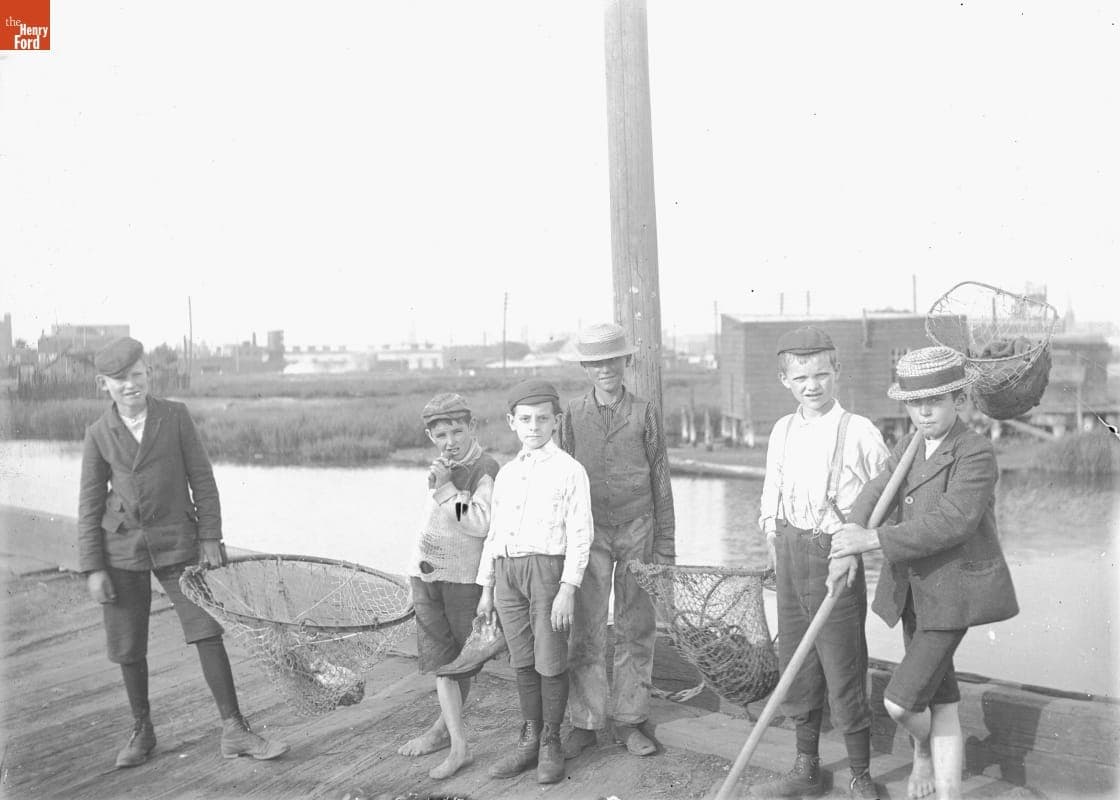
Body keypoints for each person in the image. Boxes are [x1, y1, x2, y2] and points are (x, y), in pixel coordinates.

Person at [78, 337, 288, 768]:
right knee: (127, 644)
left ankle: (235, 730)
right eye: (120, 380)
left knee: (207, 630)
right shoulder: (98, 434)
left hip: (180, 543)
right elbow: (88, 505)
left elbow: (202, 479)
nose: (130, 385)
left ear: (148, 374)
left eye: (137, 375)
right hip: (122, 552)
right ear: (104, 385)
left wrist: (210, 537)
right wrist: (92, 567)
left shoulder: (174, 416)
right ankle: (143, 731)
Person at [830, 346, 1018, 800]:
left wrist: (871, 541)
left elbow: (953, 521)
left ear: (959, 400)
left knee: (899, 703)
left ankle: (922, 753)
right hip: (912, 592)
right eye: (915, 403)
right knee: (942, 698)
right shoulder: (911, 444)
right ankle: (948, 791)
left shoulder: (975, 452)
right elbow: (878, 488)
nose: (924, 410)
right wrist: (847, 537)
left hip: (953, 595)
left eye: (935, 401)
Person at [754, 326, 890, 799]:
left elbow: (888, 495)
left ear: (837, 373)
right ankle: (806, 768)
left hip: (835, 559)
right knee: (797, 660)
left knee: (843, 665)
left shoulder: (859, 430)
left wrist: (856, 544)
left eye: (821, 375)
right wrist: (772, 536)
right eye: (801, 377)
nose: (812, 385)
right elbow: (771, 489)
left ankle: (859, 774)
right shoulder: (782, 430)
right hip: (790, 556)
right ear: (784, 380)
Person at [557, 322, 675, 760]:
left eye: (613, 360)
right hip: (590, 535)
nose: (605, 369)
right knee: (585, 629)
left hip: (638, 529)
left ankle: (631, 720)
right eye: (596, 362)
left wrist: (665, 546)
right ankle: (585, 723)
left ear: (626, 362)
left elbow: (661, 478)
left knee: (636, 627)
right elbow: (564, 483)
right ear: (586, 367)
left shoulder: (645, 411)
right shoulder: (571, 414)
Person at [475, 378, 593, 785]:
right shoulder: (507, 473)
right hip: (508, 574)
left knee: (550, 659)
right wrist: (487, 587)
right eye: (525, 419)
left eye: (543, 419)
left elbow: (581, 534)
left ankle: (550, 743)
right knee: (522, 659)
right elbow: (494, 533)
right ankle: (527, 741)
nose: (533, 427)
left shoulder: (570, 470)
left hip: (547, 573)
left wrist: (567, 588)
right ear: (512, 422)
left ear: (556, 422)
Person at [397, 392, 499, 780]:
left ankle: (454, 742)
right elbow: (431, 525)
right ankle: (450, 737)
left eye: (457, 431)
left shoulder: (485, 468)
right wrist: (413, 573)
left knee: (458, 664)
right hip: (426, 576)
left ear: (472, 427)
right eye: (440, 434)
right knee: (442, 664)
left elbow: (479, 522)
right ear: (430, 436)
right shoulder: (443, 465)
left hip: (461, 580)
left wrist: (444, 490)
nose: (450, 441)